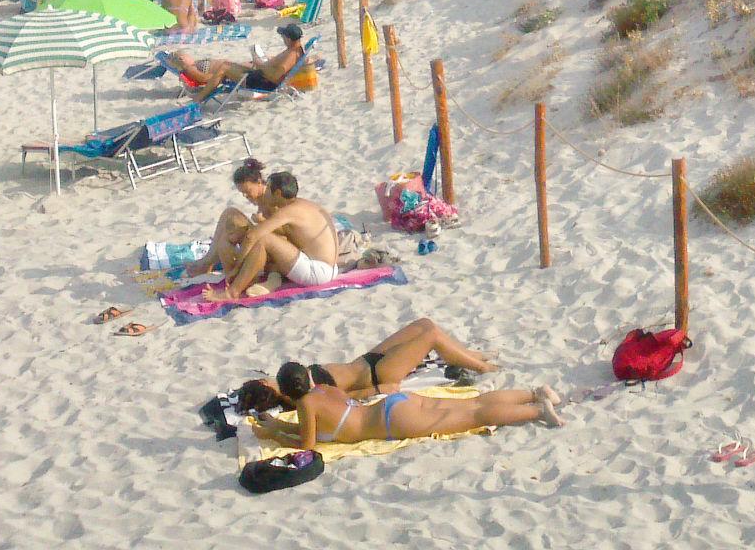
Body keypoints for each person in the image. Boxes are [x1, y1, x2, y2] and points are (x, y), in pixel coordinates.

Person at [254, 362, 562, 447]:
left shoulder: (307, 405)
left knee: (475, 415)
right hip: (393, 404)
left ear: (288, 392)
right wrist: (280, 424)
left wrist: (274, 435)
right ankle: (533, 392)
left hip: (392, 423)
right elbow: (314, 427)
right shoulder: (322, 389)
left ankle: (537, 410)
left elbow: (307, 445)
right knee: (472, 403)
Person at [239, 317, 496, 401]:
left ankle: (472, 356)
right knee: (430, 336)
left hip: (367, 359)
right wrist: (378, 389)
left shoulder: (283, 380)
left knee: (424, 325)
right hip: (377, 374)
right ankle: (484, 367)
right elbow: (344, 399)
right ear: (263, 388)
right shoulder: (296, 394)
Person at [209, 167, 339, 299]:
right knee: (263, 238)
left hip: (318, 271)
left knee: (264, 239)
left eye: (268, 190)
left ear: (277, 193)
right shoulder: (303, 204)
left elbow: (252, 236)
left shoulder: (288, 211)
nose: (265, 193)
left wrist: (237, 268)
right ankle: (245, 280)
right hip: (331, 268)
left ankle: (232, 292)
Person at [182, 158, 272, 281]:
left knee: (231, 222)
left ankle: (209, 264)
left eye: (248, 192)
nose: (246, 196)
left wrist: (261, 221)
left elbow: (278, 230)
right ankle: (207, 262)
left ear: (259, 182)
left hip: (269, 246)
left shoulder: (270, 199)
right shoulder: (262, 197)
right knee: (229, 217)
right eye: (243, 194)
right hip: (263, 238)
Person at [162, 21, 307, 94]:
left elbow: (275, 77)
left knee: (225, 68)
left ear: (288, 38)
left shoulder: (291, 55)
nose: (282, 39)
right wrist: (262, 62)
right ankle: (203, 93)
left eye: (283, 36)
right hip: (260, 75)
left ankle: (201, 97)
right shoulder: (295, 50)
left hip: (262, 82)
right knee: (230, 65)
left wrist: (260, 64)